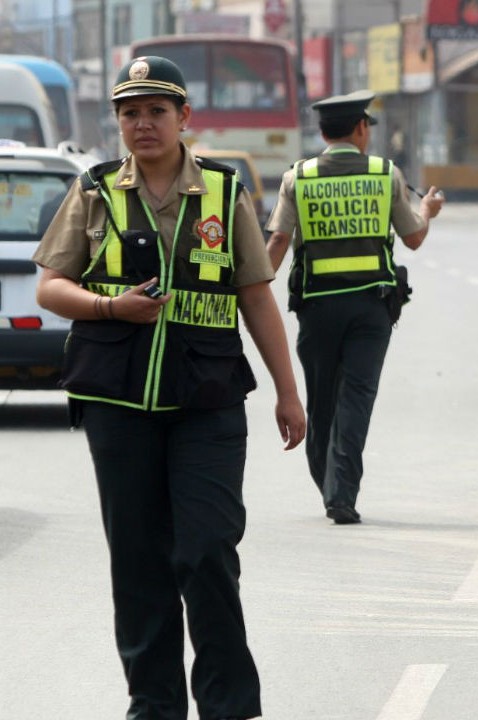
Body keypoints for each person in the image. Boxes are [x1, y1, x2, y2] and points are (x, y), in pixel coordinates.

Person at [31, 55, 306, 720]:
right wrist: (108, 308)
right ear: (118, 122)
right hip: (118, 406)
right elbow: (51, 285)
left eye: (157, 111)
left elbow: (255, 294)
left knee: (207, 549)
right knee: (138, 561)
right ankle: (152, 705)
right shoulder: (95, 190)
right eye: (130, 113)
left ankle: (229, 706)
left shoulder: (221, 190)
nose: (143, 124)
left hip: (207, 402)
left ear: (185, 118)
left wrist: (287, 390)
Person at [264, 89, 445, 525]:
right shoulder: (386, 175)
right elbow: (414, 237)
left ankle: (328, 481)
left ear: (324, 132)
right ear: (361, 129)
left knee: (322, 396)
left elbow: (276, 243)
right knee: (357, 397)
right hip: (371, 308)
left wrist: (252, 292)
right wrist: (428, 209)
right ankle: (340, 491)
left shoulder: (298, 178)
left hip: (317, 308)